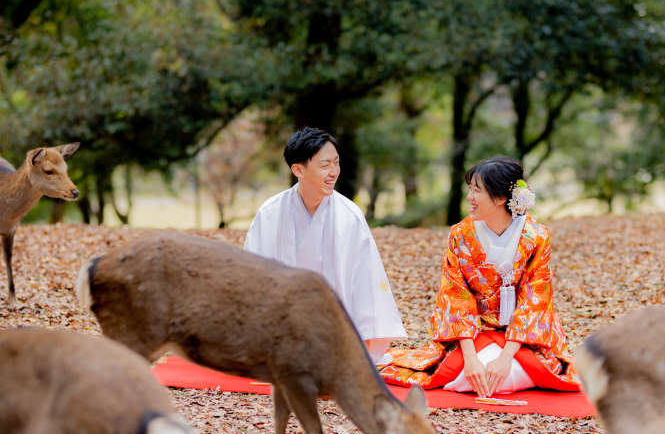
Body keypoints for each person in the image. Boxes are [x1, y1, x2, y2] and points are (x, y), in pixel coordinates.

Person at [378, 155, 579, 396]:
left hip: (524, 337)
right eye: (470, 189)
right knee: (468, 375)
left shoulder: (536, 236)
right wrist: (470, 358)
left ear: (501, 198)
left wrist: (505, 358)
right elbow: (455, 297)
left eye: (477, 190)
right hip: (474, 333)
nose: (469, 197)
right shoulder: (460, 235)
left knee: (509, 374)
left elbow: (535, 301)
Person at [243, 127, 407, 362]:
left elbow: (365, 281)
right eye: (325, 165)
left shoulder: (349, 215)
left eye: (336, 163)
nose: (334, 172)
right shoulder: (270, 213)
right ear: (298, 170)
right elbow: (251, 276)